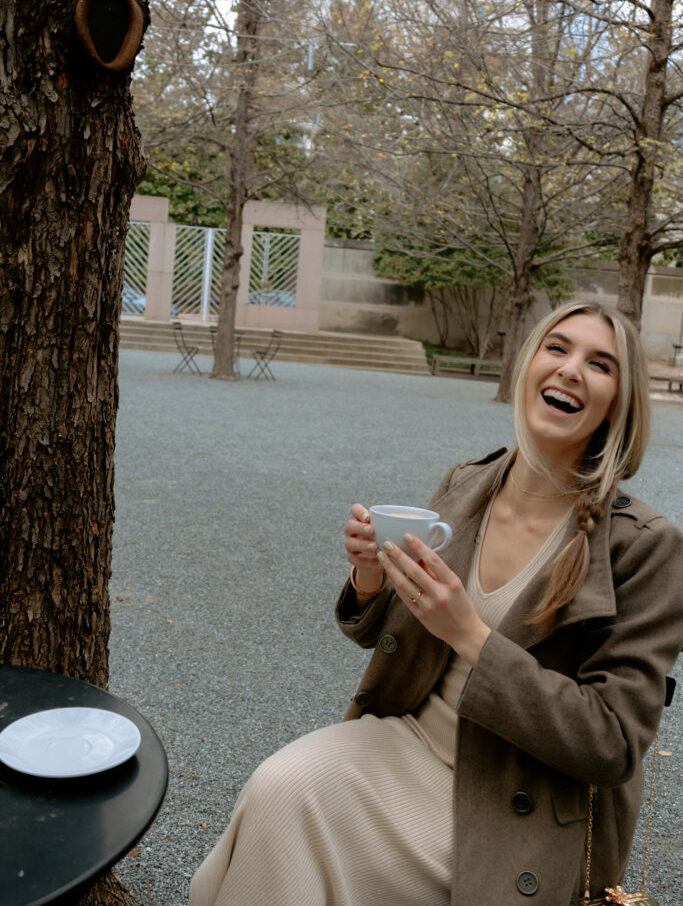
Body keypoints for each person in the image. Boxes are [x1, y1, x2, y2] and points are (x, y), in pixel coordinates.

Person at [189, 300, 683, 906]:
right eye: (557, 348)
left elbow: (611, 742)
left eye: (599, 364)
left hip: (517, 796)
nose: (571, 370)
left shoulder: (648, 546)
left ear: (618, 402)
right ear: (528, 364)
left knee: (291, 812)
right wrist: (371, 578)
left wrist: (472, 636)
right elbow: (393, 633)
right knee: (277, 786)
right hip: (411, 742)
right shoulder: (466, 483)